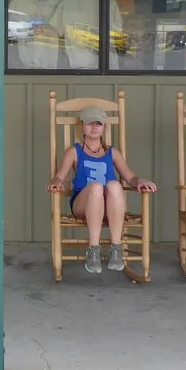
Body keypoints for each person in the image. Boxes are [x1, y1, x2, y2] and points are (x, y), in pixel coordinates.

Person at [47, 105, 157, 273]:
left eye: (98, 124)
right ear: (82, 125)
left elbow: (130, 177)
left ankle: (116, 249)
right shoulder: (75, 151)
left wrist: (140, 181)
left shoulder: (112, 152)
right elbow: (59, 176)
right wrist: (56, 182)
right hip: (83, 205)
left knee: (114, 185)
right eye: (90, 123)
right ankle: (93, 249)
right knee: (97, 187)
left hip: (111, 208)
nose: (94, 127)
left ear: (104, 127)